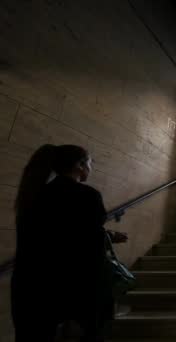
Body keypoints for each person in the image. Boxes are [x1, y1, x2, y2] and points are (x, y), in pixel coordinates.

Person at [11, 144, 128, 342]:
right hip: (74, 293)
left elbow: (55, 237)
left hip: (31, 289)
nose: (91, 168)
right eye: (90, 163)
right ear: (80, 165)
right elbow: (87, 249)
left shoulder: (33, 194)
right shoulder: (87, 196)